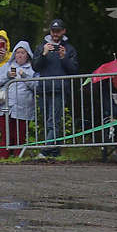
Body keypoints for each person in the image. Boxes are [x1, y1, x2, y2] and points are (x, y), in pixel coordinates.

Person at [34, 18, 81, 156]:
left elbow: (74, 69)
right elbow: (35, 67)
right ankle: (54, 151)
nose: (55, 34)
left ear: (63, 31)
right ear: (50, 31)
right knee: (46, 121)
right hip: (43, 89)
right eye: (53, 31)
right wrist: (43, 54)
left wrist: (63, 57)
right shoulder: (41, 46)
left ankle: (44, 151)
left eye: (58, 31)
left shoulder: (69, 48)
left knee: (53, 121)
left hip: (59, 89)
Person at [0, 40, 37, 158]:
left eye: (22, 52)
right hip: (6, 107)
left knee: (20, 135)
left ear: (27, 54)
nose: (20, 55)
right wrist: (7, 76)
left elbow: (36, 86)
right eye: (17, 52)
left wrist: (25, 77)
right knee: (6, 134)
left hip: (24, 109)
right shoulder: (7, 66)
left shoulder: (32, 69)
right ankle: (3, 157)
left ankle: (18, 157)